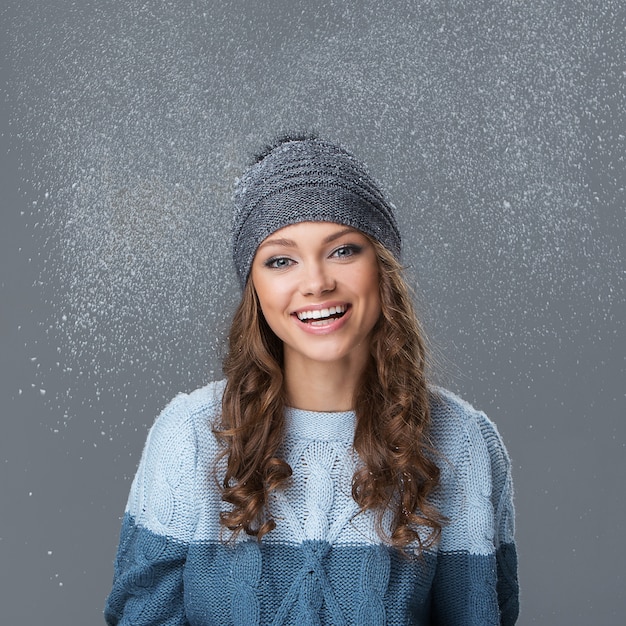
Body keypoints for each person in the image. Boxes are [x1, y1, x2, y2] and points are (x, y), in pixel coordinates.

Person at [104, 134, 519, 625]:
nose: (316, 282)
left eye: (343, 250)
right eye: (281, 259)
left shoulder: (460, 441)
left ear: (381, 267)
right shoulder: (190, 436)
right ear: (253, 286)